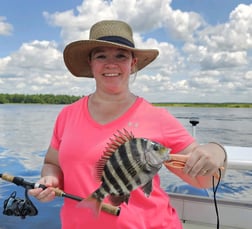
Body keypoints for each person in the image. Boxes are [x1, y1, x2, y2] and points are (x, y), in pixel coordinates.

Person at [29, 20, 227, 229]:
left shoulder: (158, 118)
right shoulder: (67, 115)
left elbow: (205, 180)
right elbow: (52, 163)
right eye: (101, 55)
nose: (111, 63)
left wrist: (217, 150)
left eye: (121, 56)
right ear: (91, 62)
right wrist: (50, 180)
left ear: (133, 63)